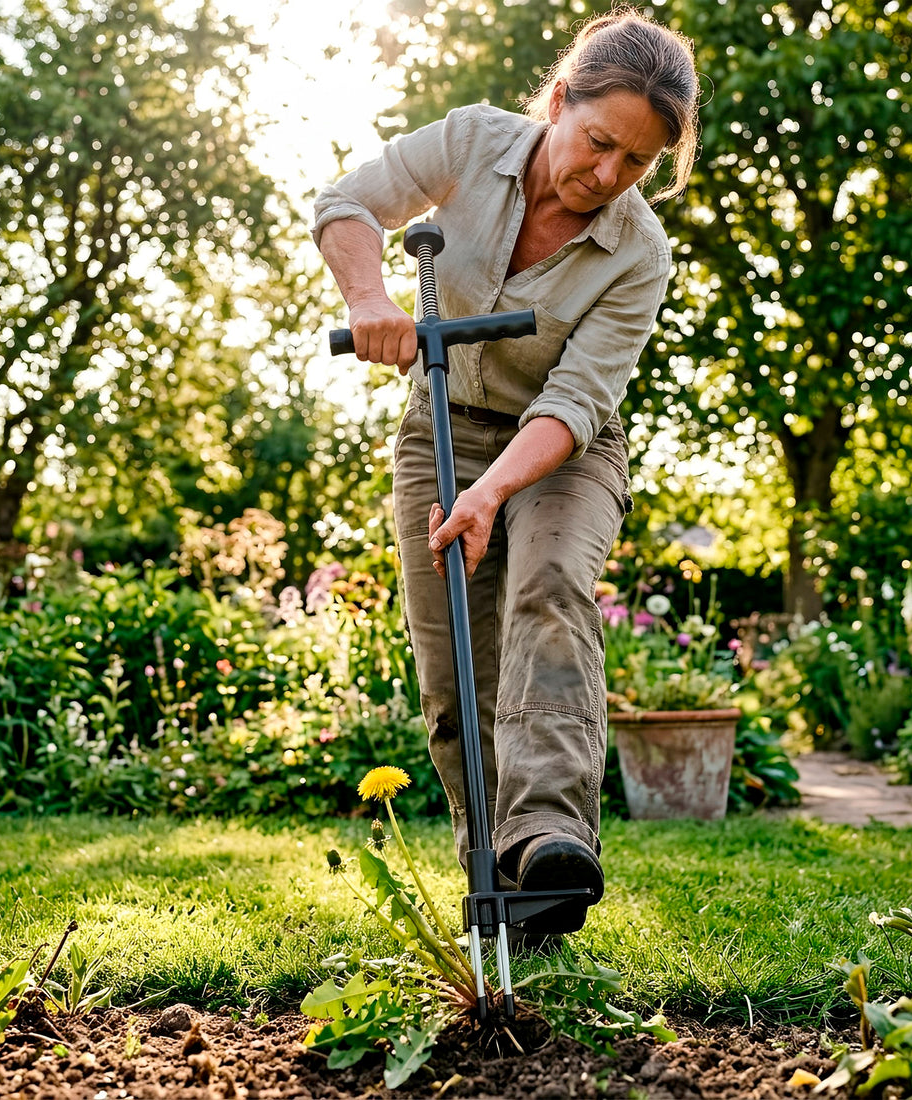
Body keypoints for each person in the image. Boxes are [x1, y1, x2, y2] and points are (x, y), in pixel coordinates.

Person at [313, 6, 700, 937]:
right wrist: (369, 299)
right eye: (599, 142)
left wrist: (491, 493)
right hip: (440, 430)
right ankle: (495, 874)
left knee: (549, 587)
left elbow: (574, 402)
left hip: (563, 448)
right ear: (560, 101)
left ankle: (553, 842)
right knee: (454, 668)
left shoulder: (639, 253)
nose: (607, 176)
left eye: (636, 163)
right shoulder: (473, 142)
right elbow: (349, 203)